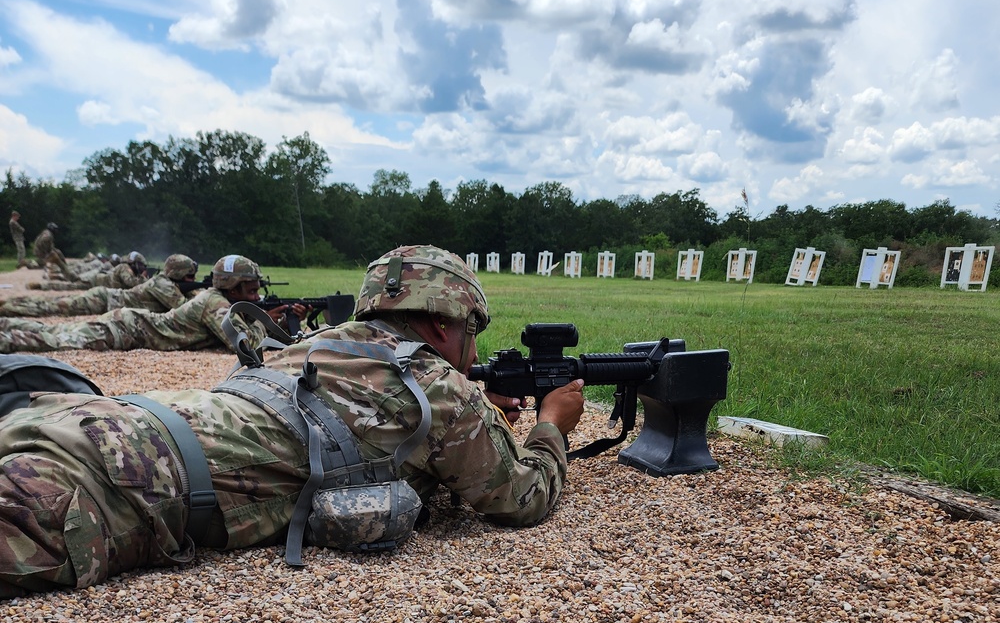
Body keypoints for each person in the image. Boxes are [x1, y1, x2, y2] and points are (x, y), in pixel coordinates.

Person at [0, 245, 585, 597]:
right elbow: (522, 498)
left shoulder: (314, 344)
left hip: (90, 421)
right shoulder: (439, 388)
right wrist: (552, 424)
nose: (473, 352)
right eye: (470, 332)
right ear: (441, 326)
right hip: (118, 485)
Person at [0, 254, 300, 354]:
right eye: (249, 288)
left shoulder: (218, 300)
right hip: (128, 328)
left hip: (131, 323)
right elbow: (245, 347)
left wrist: (282, 322)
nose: (256, 294)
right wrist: (264, 319)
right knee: (57, 339)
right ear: (231, 286)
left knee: (58, 331)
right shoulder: (214, 303)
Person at [0, 254, 199, 317]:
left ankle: (13, 303)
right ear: (180, 274)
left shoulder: (163, 282)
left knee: (59, 301)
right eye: (189, 276)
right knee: (55, 307)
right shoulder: (162, 283)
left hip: (106, 298)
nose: (191, 280)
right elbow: (183, 307)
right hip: (105, 300)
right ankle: (9, 308)